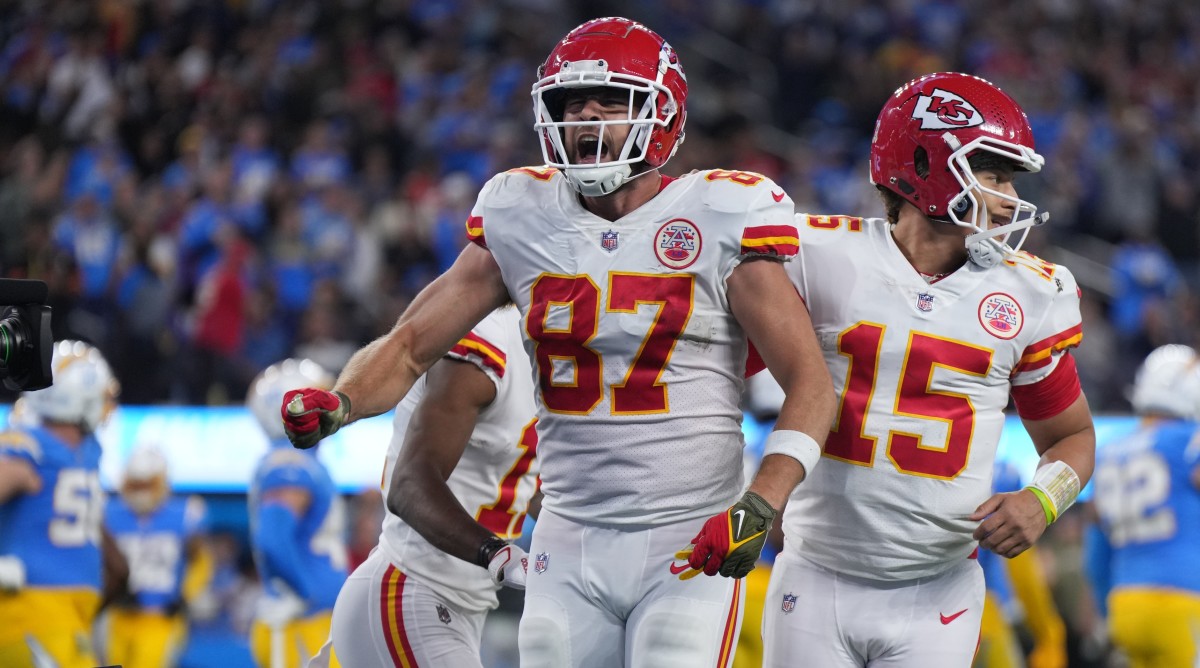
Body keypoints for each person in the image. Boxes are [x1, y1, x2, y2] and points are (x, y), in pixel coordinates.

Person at [280, 16, 835, 668]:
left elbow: (812, 384)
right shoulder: (522, 213)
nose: (587, 119)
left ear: (662, 113)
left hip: (685, 534)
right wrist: (341, 403)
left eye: (611, 101)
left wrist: (760, 504)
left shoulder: (723, 213)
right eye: (573, 103)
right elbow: (408, 346)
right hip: (567, 539)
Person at [763, 72, 1096, 667]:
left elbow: (1073, 437)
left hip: (938, 591)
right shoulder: (814, 256)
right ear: (926, 163)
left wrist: (1042, 501)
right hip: (812, 575)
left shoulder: (1031, 293)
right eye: (994, 174)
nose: (1008, 198)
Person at [311, 306, 540, 666]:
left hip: (456, 606)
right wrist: (498, 554)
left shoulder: (554, 344)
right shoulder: (488, 336)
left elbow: (539, 484)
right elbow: (410, 485)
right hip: (409, 593)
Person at [0, 340, 125, 667]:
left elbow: (115, 563)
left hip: (68, 617)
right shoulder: (28, 445)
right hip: (33, 610)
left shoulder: (80, 454)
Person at [1085, 344, 1200, 667]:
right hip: (1182, 600)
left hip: (1125, 602)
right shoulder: (1189, 440)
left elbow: (1095, 549)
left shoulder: (1110, 452)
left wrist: (1105, 610)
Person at [246, 358, 348, 668]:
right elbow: (273, 539)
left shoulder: (299, 461)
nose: (327, 406)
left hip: (308, 623)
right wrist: (307, 593)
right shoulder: (290, 464)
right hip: (299, 626)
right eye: (317, 399)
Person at [103, 443, 213, 668]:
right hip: (118, 616)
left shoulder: (185, 514)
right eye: (136, 485)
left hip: (161, 619)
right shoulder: (109, 513)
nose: (141, 492)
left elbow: (201, 561)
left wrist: (185, 596)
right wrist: (111, 592)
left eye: (147, 485)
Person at [976, 459, 1067, 668]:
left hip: (896, 613)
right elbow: (1022, 570)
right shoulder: (1000, 474)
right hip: (975, 616)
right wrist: (1048, 633)